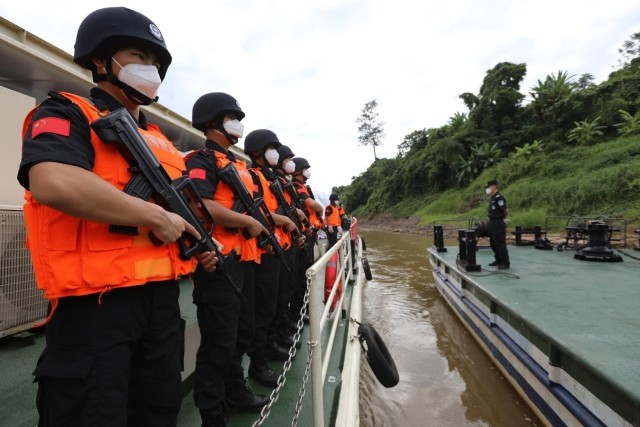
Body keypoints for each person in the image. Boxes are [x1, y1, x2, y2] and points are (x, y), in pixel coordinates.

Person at [17, 7, 218, 426]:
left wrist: (199, 246)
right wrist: (151, 216)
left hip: (161, 303)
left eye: (156, 63)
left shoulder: (160, 141)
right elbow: (52, 181)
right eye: (137, 56)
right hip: (95, 305)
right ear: (99, 60)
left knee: (159, 408)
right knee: (93, 413)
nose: (150, 70)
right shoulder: (67, 113)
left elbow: (182, 211)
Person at [185, 92, 269, 426]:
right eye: (232, 117)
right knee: (218, 342)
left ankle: (234, 391)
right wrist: (248, 221)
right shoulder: (201, 160)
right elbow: (200, 205)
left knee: (241, 333)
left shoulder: (236, 166)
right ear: (213, 122)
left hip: (244, 259)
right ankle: (212, 411)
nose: (238, 123)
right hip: (219, 261)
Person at [243, 130, 303, 382]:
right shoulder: (253, 176)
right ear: (257, 151)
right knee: (264, 307)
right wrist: (287, 221)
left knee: (279, 297)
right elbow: (259, 209)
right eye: (271, 148)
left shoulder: (270, 178)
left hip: (280, 244)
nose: (277, 155)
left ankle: (273, 341)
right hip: (264, 248)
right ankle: (259, 361)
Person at [289, 157, 324, 322]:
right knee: (302, 276)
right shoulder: (297, 187)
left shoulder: (302, 187)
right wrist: (320, 208)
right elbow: (314, 206)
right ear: (298, 171)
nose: (307, 172)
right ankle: (299, 311)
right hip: (303, 235)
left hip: (308, 233)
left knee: (304, 275)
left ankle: (302, 309)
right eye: (305, 169)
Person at [486, 179, 511, 269]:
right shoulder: (493, 197)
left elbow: (505, 210)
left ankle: (505, 263)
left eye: (489, 186)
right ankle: (498, 260)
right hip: (492, 222)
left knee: (500, 243)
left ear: (494, 186)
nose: (488, 189)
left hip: (498, 222)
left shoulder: (499, 197)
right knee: (493, 243)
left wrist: (504, 219)